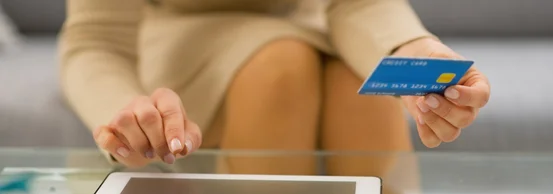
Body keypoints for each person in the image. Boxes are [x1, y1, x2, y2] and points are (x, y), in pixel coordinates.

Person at [59, 0, 491, 168]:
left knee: (354, 84)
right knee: (281, 71)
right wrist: (126, 113)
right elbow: (98, 39)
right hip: (181, 42)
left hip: (317, 26)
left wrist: (416, 54)